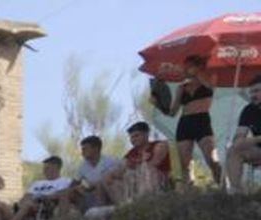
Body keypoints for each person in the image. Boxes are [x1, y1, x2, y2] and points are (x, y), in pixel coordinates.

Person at [171, 55, 221, 187]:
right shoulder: (182, 86)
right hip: (185, 122)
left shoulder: (209, 78)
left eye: (190, 66)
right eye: (186, 67)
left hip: (202, 120)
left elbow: (211, 87)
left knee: (212, 159)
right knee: (185, 164)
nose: (187, 69)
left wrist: (198, 75)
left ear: (199, 66)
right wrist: (178, 93)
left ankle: (224, 187)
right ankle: (189, 193)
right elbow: (173, 112)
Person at [0, 157, 74, 220]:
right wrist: (23, 203)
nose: (44, 171)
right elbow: (26, 197)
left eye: (47, 168)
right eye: (44, 168)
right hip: (24, 208)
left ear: (56, 167)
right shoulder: (37, 183)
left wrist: (45, 197)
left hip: (44, 207)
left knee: (27, 205)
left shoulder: (66, 181)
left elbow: (65, 194)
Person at [106, 121, 172, 204]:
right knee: (108, 179)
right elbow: (120, 170)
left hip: (161, 182)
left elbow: (153, 164)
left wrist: (141, 163)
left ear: (146, 134)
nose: (133, 139)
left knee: (146, 171)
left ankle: (147, 202)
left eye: (136, 136)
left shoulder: (159, 145)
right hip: (137, 184)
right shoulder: (131, 154)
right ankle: (125, 206)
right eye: (131, 137)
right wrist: (111, 175)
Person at [225, 75, 261, 192]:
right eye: (251, 92)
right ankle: (236, 193)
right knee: (233, 151)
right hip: (258, 150)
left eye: (257, 91)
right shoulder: (249, 110)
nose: (253, 95)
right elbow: (238, 140)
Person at [74, 135, 122, 210]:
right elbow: (75, 182)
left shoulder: (111, 161)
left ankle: (119, 207)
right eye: (82, 149)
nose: (82, 152)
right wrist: (79, 188)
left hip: (110, 192)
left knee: (101, 185)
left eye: (85, 149)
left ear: (96, 148)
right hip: (92, 194)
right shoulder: (82, 166)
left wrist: (94, 184)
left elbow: (118, 177)